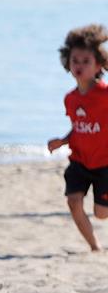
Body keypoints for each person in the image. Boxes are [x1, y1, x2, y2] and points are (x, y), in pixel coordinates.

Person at [47, 24, 108, 252]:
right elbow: (78, 128)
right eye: (75, 61)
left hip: (105, 163)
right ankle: (95, 247)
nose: (79, 65)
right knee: (73, 202)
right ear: (67, 63)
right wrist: (62, 141)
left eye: (85, 61)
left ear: (98, 65)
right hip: (80, 161)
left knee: (101, 214)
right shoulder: (70, 98)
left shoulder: (105, 94)